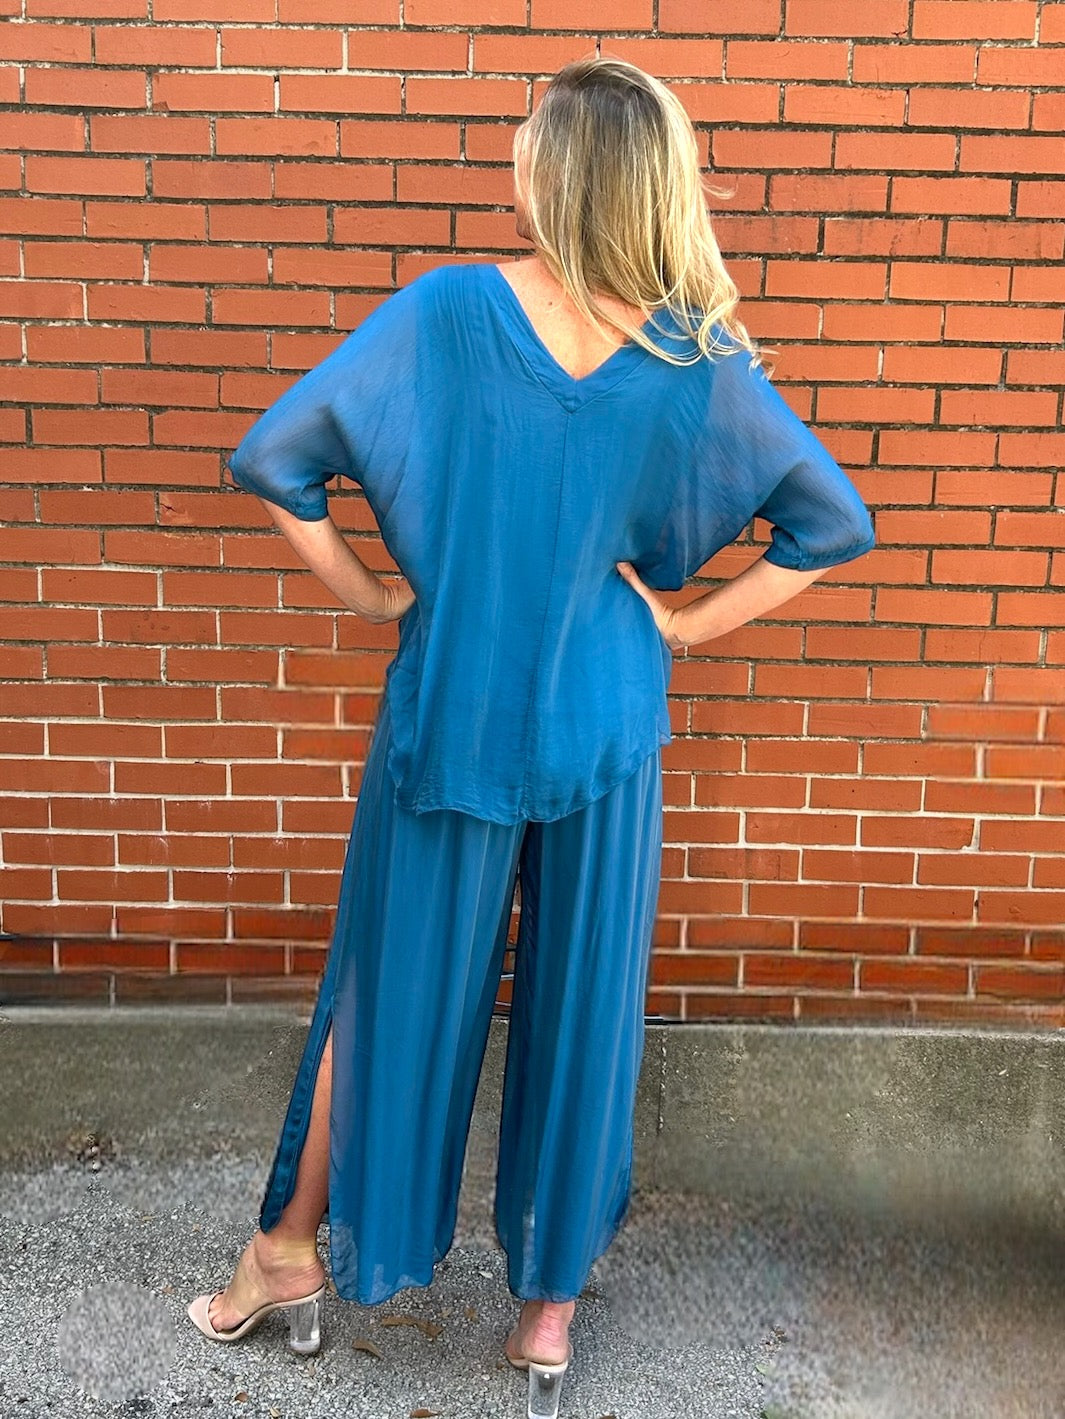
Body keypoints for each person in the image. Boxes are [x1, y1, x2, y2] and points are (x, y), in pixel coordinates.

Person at [186, 54, 876, 1417]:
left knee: (384, 989)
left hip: (453, 708)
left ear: (560, 171)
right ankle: (546, 1320)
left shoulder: (449, 312)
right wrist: (683, 625)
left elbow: (278, 458)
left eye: (526, 132)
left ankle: (287, 1252)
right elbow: (830, 523)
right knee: (581, 1011)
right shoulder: (690, 356)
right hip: (605, 720)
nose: (511, 147)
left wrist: (371, 594)